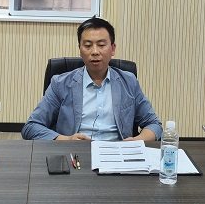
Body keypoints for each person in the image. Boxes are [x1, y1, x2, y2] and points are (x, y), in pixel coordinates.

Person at [22, 17, 162, 141]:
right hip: (76, 153)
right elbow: (31, 127)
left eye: (101, 45)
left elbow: (154, 124)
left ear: (113, 49)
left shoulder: (129, 82)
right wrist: (66, 139)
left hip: (117, 153)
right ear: (80, 49)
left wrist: (137, 141)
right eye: (88, 45)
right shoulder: (60, 84)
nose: (95, 51)